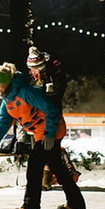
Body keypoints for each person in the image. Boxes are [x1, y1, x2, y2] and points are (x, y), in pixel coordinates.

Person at [0, 63, 86, 209]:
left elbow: (51, 109)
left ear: (7, 83)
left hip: (51, 130)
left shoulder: (26, 93)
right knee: (57, 167)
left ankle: (31, 206)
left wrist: (49, 134)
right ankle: (75, 202)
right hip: (40, 133)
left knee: (34, 167)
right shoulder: (7, 102)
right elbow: (1, 125)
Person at [26, 46, 68, 190]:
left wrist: (44, 98)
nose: (35, 71)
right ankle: (50, 181)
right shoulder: (32, 76)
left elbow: (57, 96)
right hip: (37, 119)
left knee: (49, 154)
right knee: (50, 156)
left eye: (37, 68)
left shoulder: (55, 73)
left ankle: (46, 180)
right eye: (32, 68)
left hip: (52, 117)